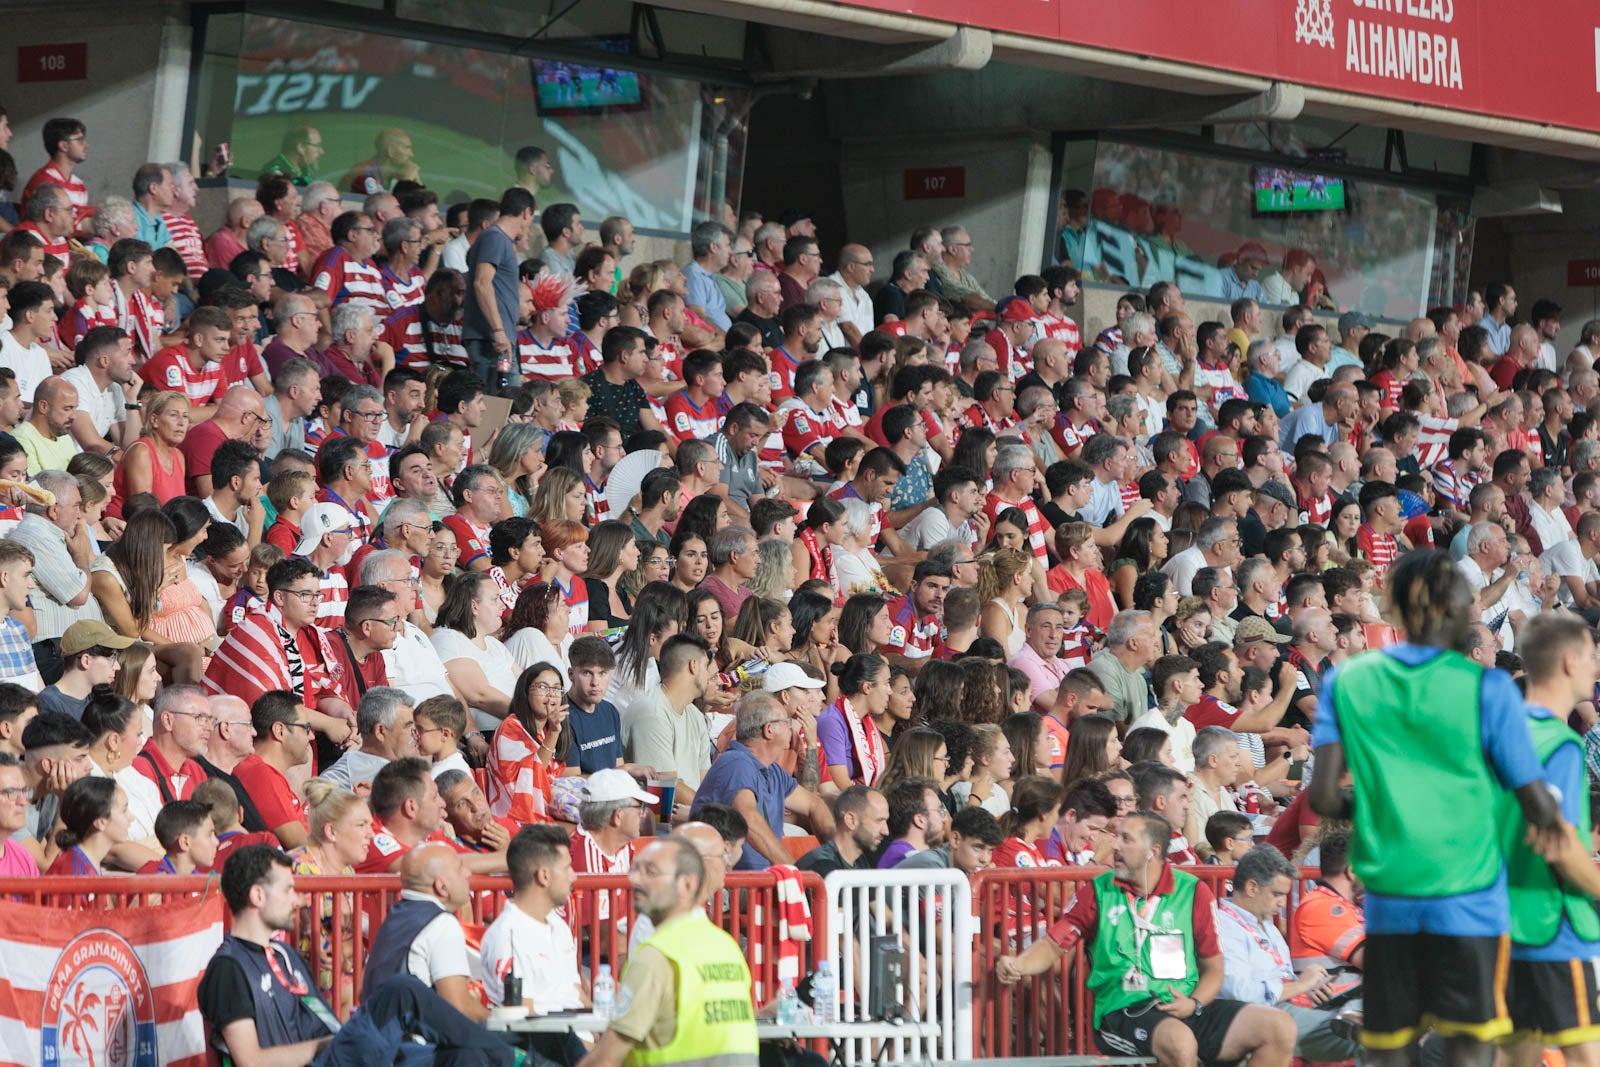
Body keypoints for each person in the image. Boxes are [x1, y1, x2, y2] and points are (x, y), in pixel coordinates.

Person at [1309, 550, 1566, 1065]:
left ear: (1395, 609)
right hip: (1470, 900)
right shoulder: (1487, 687)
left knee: (1389, 1049)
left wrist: (1389, 806)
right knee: (1470, 1048)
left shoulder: (1349, 680)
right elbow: (1534, 802)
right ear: (1458, 609)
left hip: (1390, 899)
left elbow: (1322, 797)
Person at [996, 810, 1297, 1067]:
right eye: (1116, 836)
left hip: (1184, 1006)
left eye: (1126, 838)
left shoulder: (1192, 891)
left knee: (1278, 1027)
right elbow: (1052, 944)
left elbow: (1214, 969)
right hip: (1123, 1010)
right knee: (1180, 1044)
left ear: (1152, 850)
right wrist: (1018, 965)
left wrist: (1194, 1003)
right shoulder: (1099, 890)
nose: (1113, 844)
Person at [199, 845, 515, 1066]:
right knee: (400, 990)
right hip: (325, 1058)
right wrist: (330, 1044)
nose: (298, 901)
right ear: (257, 895)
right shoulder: (229, 967)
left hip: (340, 1053)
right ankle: (517, 1058)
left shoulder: (283, 954)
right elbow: (251, 1061)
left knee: (466, 1057)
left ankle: (505, 1057)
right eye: (288, 890)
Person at [1497, 614, 1600, 1067]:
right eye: (1593, 656)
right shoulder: (1559, 744)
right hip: (1550, 924)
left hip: (1498, 923)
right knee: (1585, 1058)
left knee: (1515, 1056)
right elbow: (1558, 844)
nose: (1597, 667)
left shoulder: (1494, 734)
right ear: (1569, 661)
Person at [574, 836, 757, 1067]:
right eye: (635, 869)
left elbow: (604, 1061)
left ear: (688, 884)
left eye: (651, 872)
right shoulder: (727, 947)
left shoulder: (657, 956)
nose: (635, 880)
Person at [1217, 845, 1362, 1063]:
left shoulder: (1265, 923)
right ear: (1252, 887)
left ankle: (1353, 1015)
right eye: (1277, 894)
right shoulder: (1223, 925)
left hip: (1286, 1007)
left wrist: (1310, 986)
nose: (1282, 903)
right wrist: (1299, 986)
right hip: (1252, 1017)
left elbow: (1279, 976)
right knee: (1367, 1035)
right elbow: (1238, 991)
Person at [691, 690, 834, 869]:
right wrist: (795, 871)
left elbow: (814, 804)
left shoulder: (772, 770)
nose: (791, 727)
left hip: (759, 885)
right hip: (731, 886)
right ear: (769, 730)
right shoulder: (735, 763)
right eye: (786, 722)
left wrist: (835, 858)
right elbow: (749, 819)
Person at [481, 824, 588, 1059]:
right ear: (544, 875)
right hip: (548, 1051)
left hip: (583, 1046)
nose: (574, 875)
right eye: (568, 867)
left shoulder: (558, 925)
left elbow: (576, 992)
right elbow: (523, 1014)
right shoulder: (506, 935)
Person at [361, 842, 487, 1021]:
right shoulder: (441, 924)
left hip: (380, 1038)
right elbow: (458, 1007)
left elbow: (362, 992)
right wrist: (501, 1020)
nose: (468, 873)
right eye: (460, 869)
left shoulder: (393, 919)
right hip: (417, 1043)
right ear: (441, 887)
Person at [796, 784, 888, 875]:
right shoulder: (821, 867)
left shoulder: (864, 860)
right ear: (851, 820)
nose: (885, 831)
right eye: (878, 821)